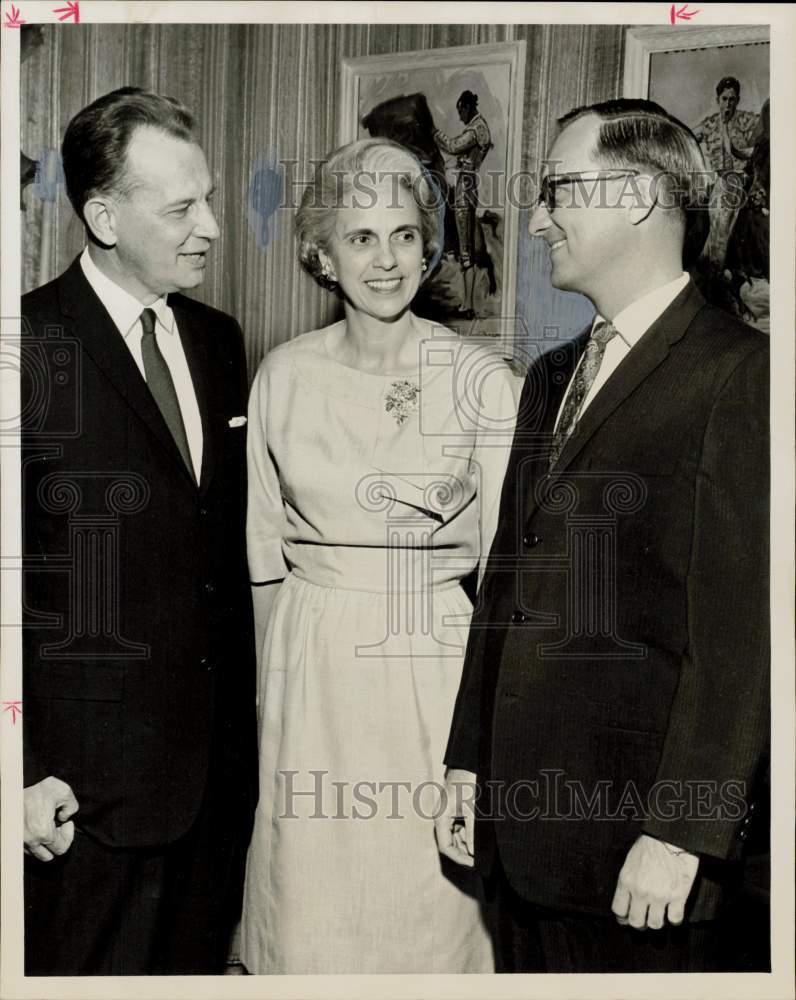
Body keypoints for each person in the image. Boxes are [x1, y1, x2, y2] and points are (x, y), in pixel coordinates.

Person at [436, 98, 769, 973]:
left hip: (643, 861)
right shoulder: (552, 375)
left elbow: (745, 638)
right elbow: (508, 580)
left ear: (639, 197)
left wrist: (683, 831)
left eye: (558, 190)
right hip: (522, 840)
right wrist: (469, 762)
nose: (537, 217)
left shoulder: (744, 375)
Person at [240, 138, 519, 973]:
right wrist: (268, 706)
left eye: (404, 234)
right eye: (360, 238)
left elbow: (508, 577)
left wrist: (483, 737)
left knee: (425, 912)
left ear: (430, 244)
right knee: (311, 907)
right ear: (322, 253)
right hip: (310, 669)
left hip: (431, 664)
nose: (387, 259)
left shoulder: (481, 379)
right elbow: (261, 560)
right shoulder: (282, 376)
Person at [21, 87, 257, 975]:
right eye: (182, 208)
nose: (211, 227)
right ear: (105, 216)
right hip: (75, 804)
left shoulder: (219, 340)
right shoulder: (25, 347)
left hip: (212, 791)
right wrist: (20, 771)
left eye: (210, 198)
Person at [434, 90, 493, 318]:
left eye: (461, 111)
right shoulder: (477, 127)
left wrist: (433, 132)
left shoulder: (476, 129)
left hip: (464, 190)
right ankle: (467, 303)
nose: (459, 117)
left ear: (468, 107)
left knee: (466, 249)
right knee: (461, 247)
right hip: (463, 188)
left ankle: (468, 305)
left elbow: (452, 145)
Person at [693, 76, 760, 269]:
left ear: (737, 100)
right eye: (724, 99)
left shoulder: (748, 120)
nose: (728, 103)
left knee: (724, 205)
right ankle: (705, 263)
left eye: (732, 99)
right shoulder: (710, 124)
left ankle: (716, 265)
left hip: (739, 179)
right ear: (718, 100)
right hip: (716, 180)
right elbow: (688, 137)